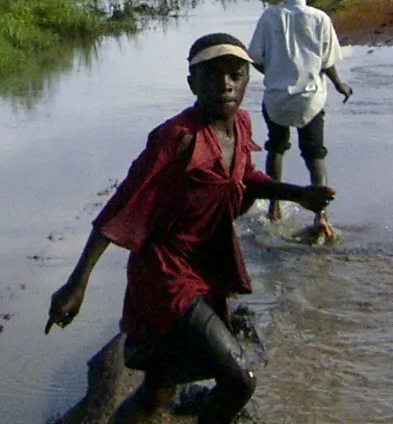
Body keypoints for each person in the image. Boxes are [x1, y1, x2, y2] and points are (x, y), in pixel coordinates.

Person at [45, 33, 335, 424]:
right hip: (166, 274)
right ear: (192, 84)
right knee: (239, 381)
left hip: (204, 265)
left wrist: (297, 194)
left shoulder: (241, 125)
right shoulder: (177, 138)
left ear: (249, 79)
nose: (226, 85)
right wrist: (76, 284)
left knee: (156, 395)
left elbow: (245, 177)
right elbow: (120, 207)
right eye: (212, 76)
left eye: (236, 74)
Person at [246, 0, 352, 240]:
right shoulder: (320, 18)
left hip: (277, 98)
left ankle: (274, 207)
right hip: (310, 100)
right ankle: (322, 216)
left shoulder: (269, 16)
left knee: (276, 148)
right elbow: (327, 62)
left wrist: (274, 73)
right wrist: (340, 85)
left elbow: (255, 57)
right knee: (315, 156)